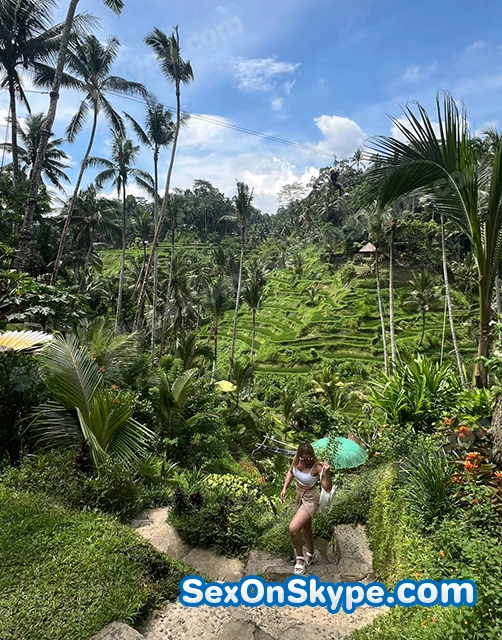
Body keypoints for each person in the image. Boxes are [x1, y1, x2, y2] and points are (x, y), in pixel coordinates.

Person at [280, 443, 332, 575]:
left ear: (312, 455)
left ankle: (300, 559)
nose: (306, 461)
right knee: (306, 527)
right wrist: (285, 487)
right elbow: (291, 472)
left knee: (293, 528)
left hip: (311, 499)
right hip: (300, 496)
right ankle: (311, 554)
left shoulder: (317, 466)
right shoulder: (296, 460)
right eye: (303, 458)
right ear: (299, 455)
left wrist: (326, 473)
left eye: (309, 458)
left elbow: (327, 487)